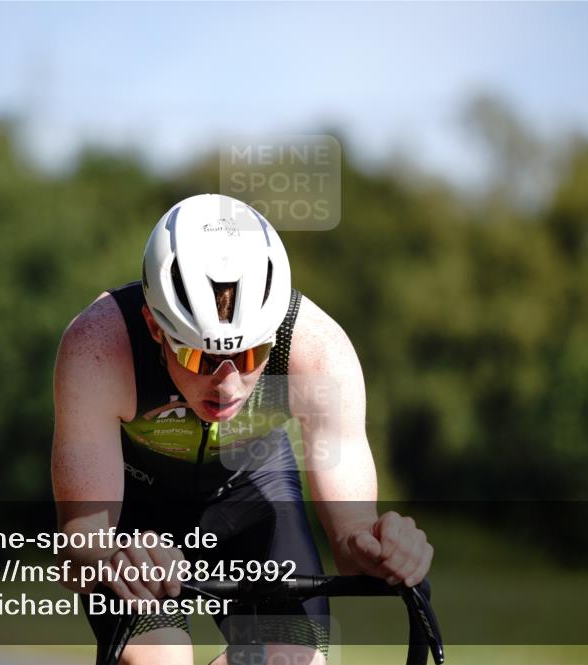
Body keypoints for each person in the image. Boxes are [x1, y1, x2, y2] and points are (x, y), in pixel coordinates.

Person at [52, 193, 433, 665]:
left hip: (253, 495)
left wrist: (384, 548)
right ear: (154, 327)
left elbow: (352, 544)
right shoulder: (99, 347)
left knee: (291, 659)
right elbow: (77, 546)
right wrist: (111, 553)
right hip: (139, 511)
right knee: (156, 660)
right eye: (199, 357)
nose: (228, 384)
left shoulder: (316, 352)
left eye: (252, 356)